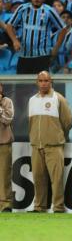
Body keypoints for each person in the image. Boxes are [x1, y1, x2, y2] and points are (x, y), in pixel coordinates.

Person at [28, 71, 72, 213]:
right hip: (36, 146)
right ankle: (39, 206)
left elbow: (68, 122)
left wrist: (58, 136)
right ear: (37, 82)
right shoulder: (32, 100)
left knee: (57, 179)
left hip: (54, 146)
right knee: (38, 178)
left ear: (51, 81)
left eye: (46, 80)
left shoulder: (58, 99)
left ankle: (58, 207)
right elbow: (31, 123)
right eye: (40, 81)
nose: (43, 83)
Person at [6, 0, 68, 74]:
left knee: (41, 84)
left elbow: (63, 29)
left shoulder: (49, 11)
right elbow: (9, 26)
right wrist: (15, 41)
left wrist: (56, 48)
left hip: (42, 56)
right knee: (22, 85)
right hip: (24, 55)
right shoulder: (22, 8)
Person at [0, 83, 13, 213]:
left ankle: (6, 205)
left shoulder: (7, 102)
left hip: (4, 143)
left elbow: (8, 120)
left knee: (4, 175)